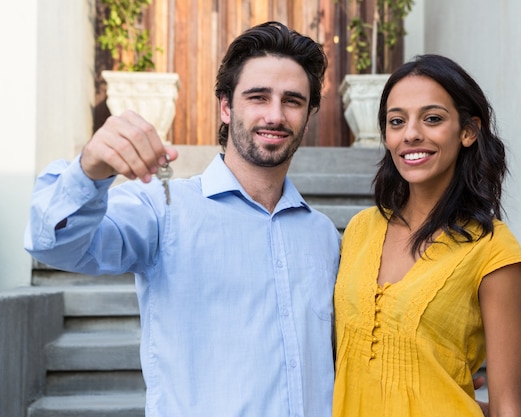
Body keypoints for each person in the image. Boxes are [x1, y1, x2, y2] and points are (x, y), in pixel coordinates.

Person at [24, 21, 339, 417]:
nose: (275, 115)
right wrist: (89, 169)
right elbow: (55, 244)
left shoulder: (323, 234)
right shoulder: (163, 208)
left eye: (292, 101)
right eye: (258, 97)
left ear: (308, 116)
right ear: (226, 107)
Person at [332, 54, 521, 417]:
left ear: (468, 131)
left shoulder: (493, 249)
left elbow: (508, 409)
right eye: (397, 121)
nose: (411, 134)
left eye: (433, 118)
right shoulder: (360, 230)